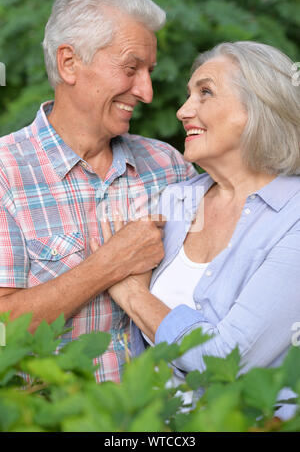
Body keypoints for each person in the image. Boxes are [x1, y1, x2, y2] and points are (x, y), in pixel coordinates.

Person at [0, 0, 197, 383]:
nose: (146, 91)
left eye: (149, 72)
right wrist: (109, 265)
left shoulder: (169, 165)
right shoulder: (5, 173)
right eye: (130, 68)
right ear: (70, 63)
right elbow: (5, 330)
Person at [97, 41, 300, 417]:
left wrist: (132, 294)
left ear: (260, 105)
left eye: (205, 93)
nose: (182, 110)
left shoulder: (293, 217)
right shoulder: (175, 201)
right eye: (189, 94)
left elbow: (229, 359)